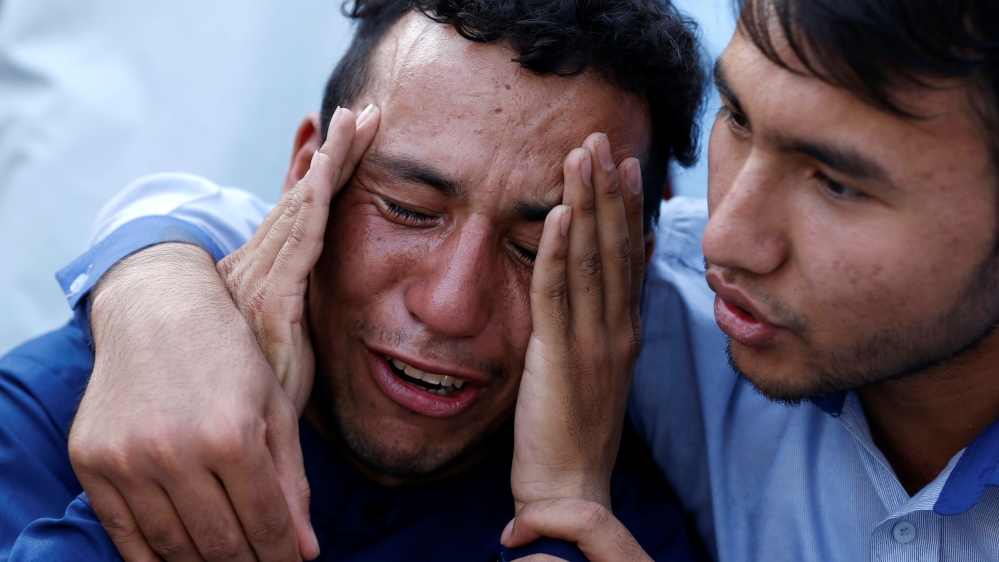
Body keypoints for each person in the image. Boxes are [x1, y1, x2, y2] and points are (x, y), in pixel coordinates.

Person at [35, 0, 999, 560]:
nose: (726, 236)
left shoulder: (630, 330)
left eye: (835, 182)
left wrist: (569, 511)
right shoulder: (653, 294)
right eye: (736, 122)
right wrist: (154, 288)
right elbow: (295, 227)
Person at [0, 0, 708, 561]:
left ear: (628, 271)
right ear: (308, 174)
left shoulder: (631, 534)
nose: (449, 306)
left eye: (534, 249)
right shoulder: (51, 414)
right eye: (407, 210)